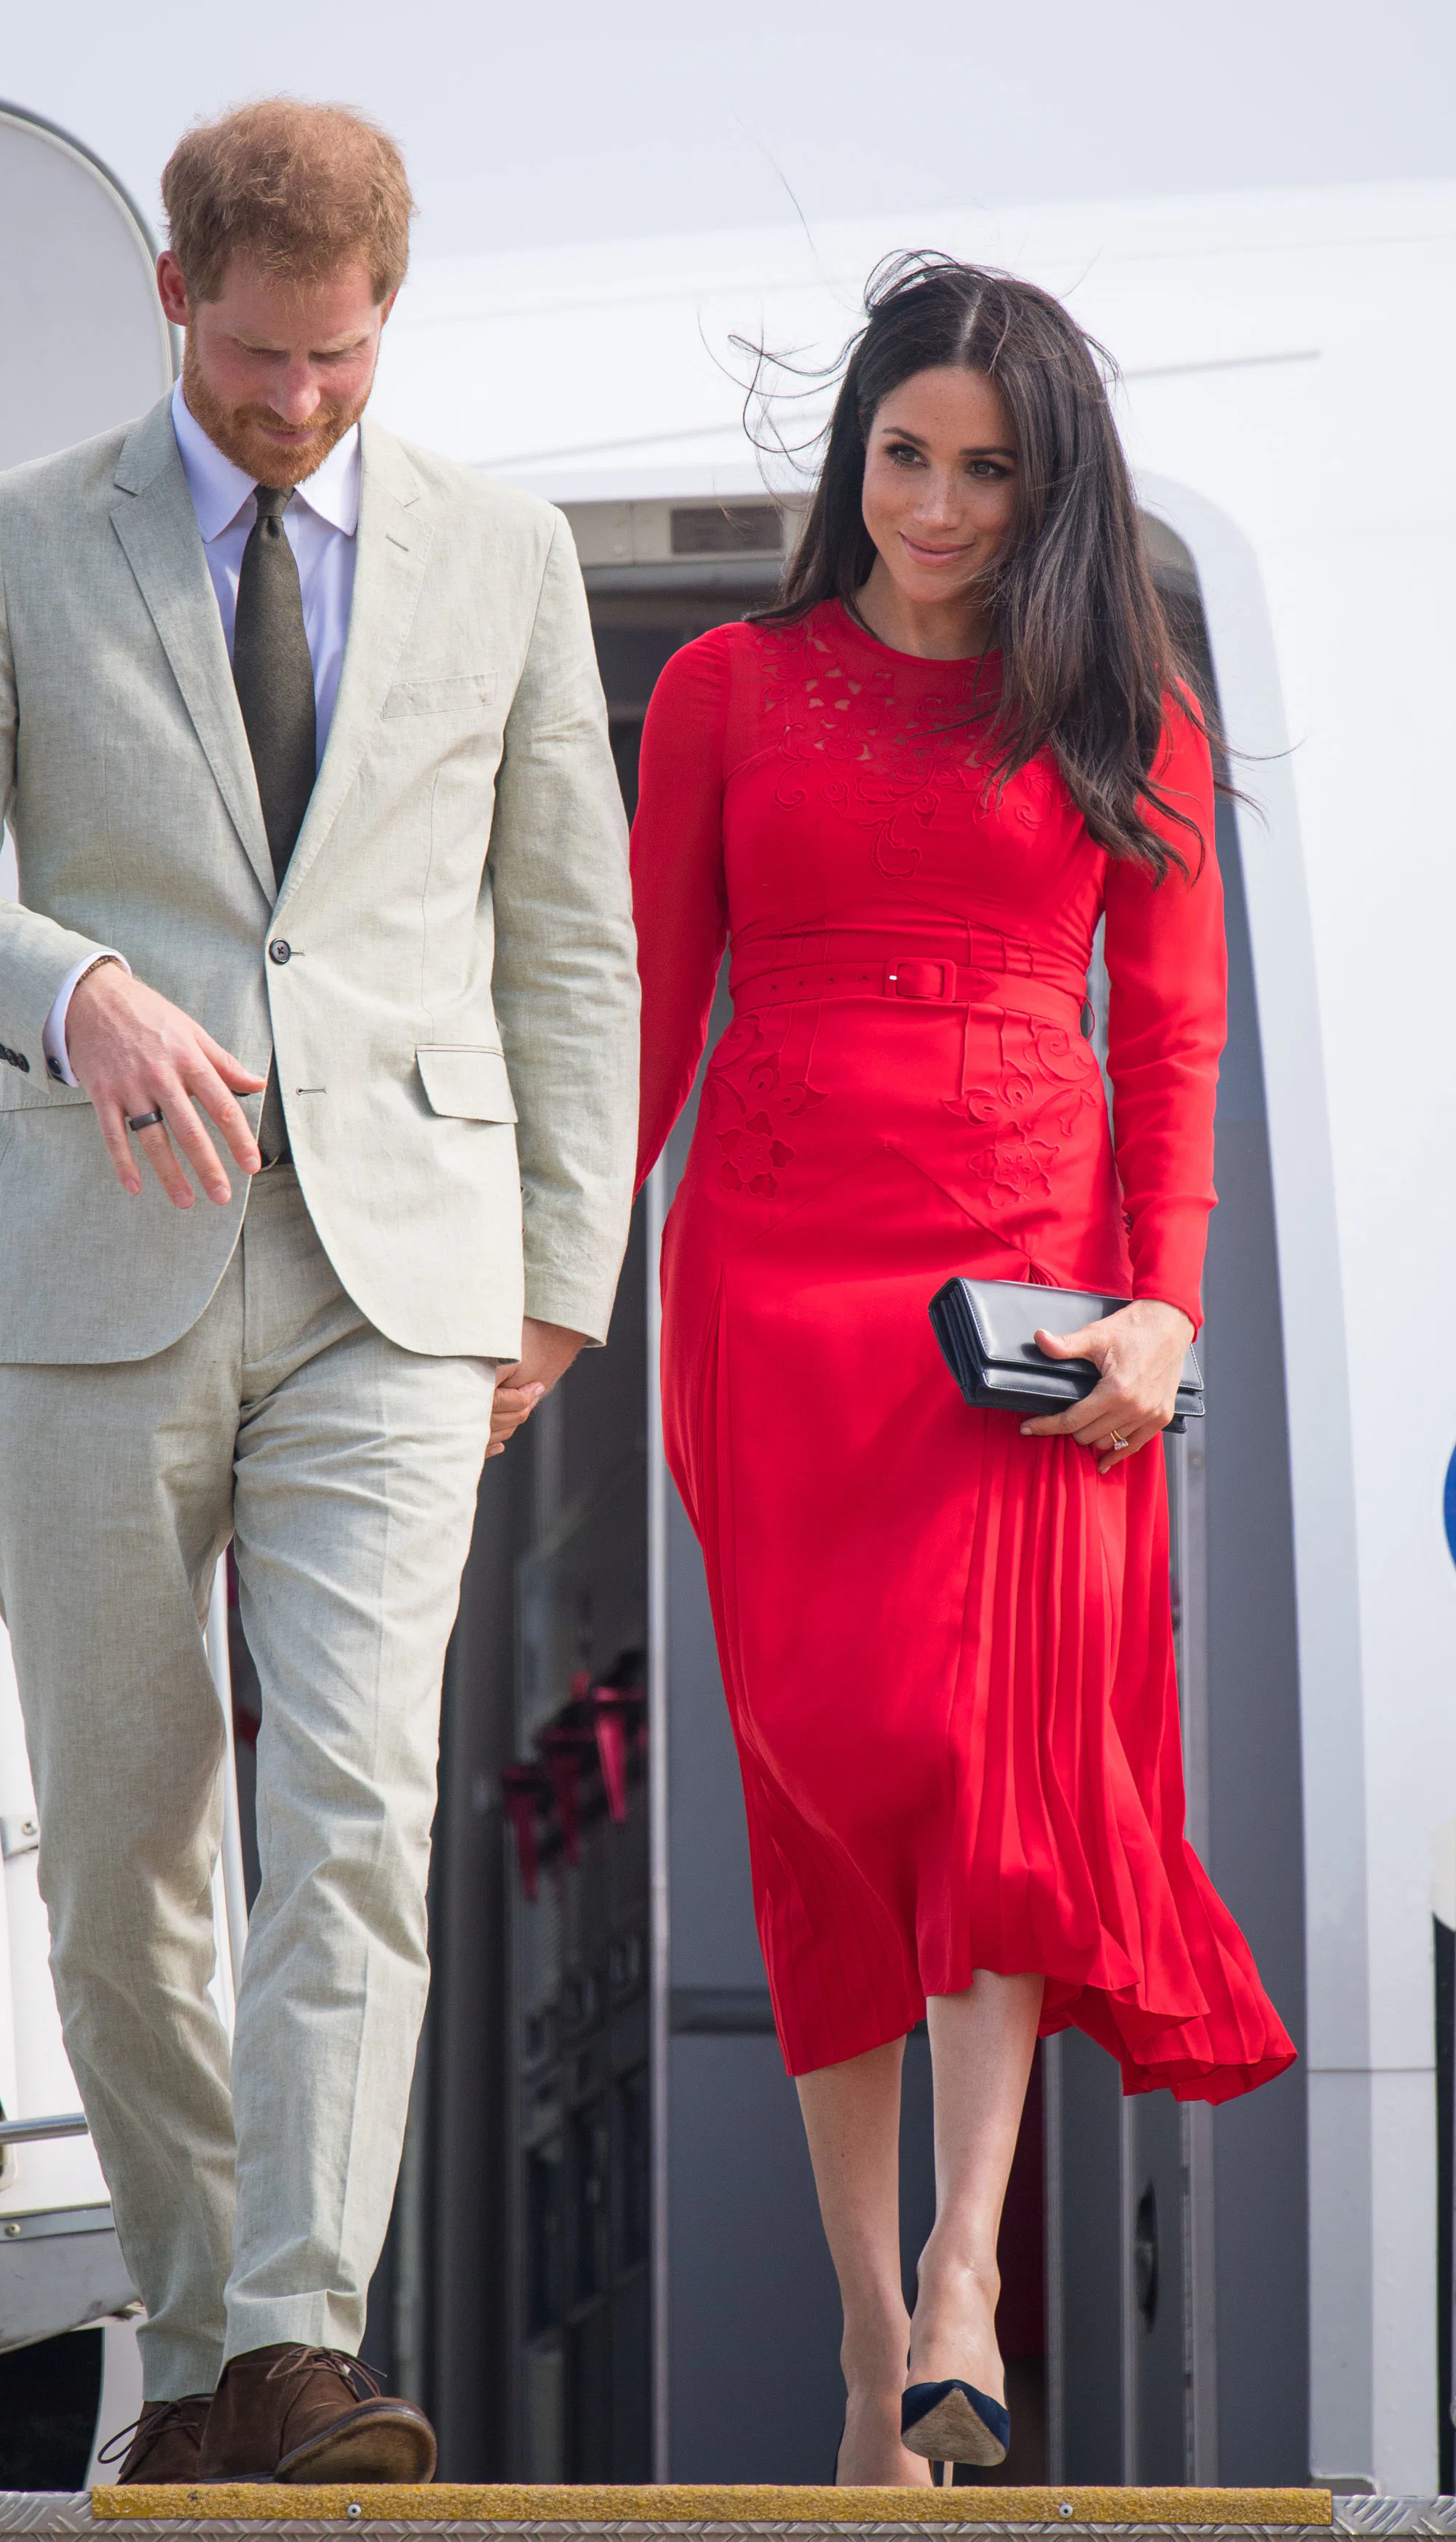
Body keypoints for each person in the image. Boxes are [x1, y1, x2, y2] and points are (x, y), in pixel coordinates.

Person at [0, 100, 637, 2485]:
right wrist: (68, 984)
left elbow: (563, 935)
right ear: (173, 293)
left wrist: (565, 1269)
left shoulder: (501, 552)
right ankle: (190, 2353)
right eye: (264, 356)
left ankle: (295, 2331)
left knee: (359, 1807)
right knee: (121, 1835)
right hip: (102, 1266)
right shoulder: (13, 536)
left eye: (343, 357)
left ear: (390, 309)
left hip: (404, 1278)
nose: (301, 401)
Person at [631, 254, 1293, 2486]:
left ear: (1050, 488)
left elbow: (1182, 1039)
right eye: (902, 455)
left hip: (1026, 1304)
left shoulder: (1134, 715)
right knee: (828, 1795)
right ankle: (856, 2340)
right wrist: (537, 1298)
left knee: (982, 1766)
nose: (934, 504)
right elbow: (642, 1017)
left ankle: (965, 2269)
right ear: (854, 458)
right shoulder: (722, 689)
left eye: (984, 469)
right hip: (776, 1282)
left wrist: (1165, 1304)